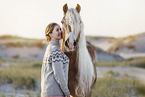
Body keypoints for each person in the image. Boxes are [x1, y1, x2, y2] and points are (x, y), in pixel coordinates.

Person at [41, 23, 70, 97]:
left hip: (47, 91)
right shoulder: (55, 50)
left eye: (60, 29)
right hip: (55, 92)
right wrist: (66, 92)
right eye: (57, 30)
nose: (60, 31)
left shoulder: (49, 48)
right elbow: (59, 74)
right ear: (50, 34)